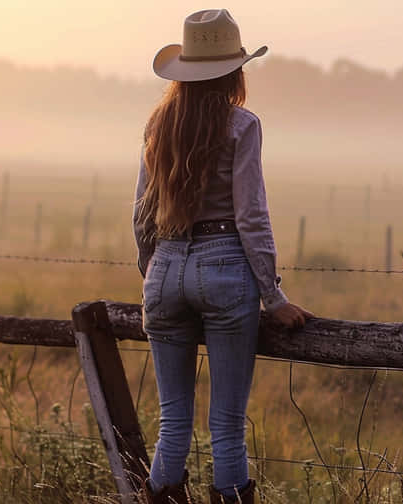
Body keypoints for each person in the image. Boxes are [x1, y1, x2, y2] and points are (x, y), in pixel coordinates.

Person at [133, 9, 312, 504]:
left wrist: (155, 273)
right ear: (235, 71)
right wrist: (273, 298)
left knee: (173, 420)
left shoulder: (158, 123)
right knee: (227, 425)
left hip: (166, 266)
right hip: (225, 267)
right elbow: (250, 217)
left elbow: (141, 214)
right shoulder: (242, 126)